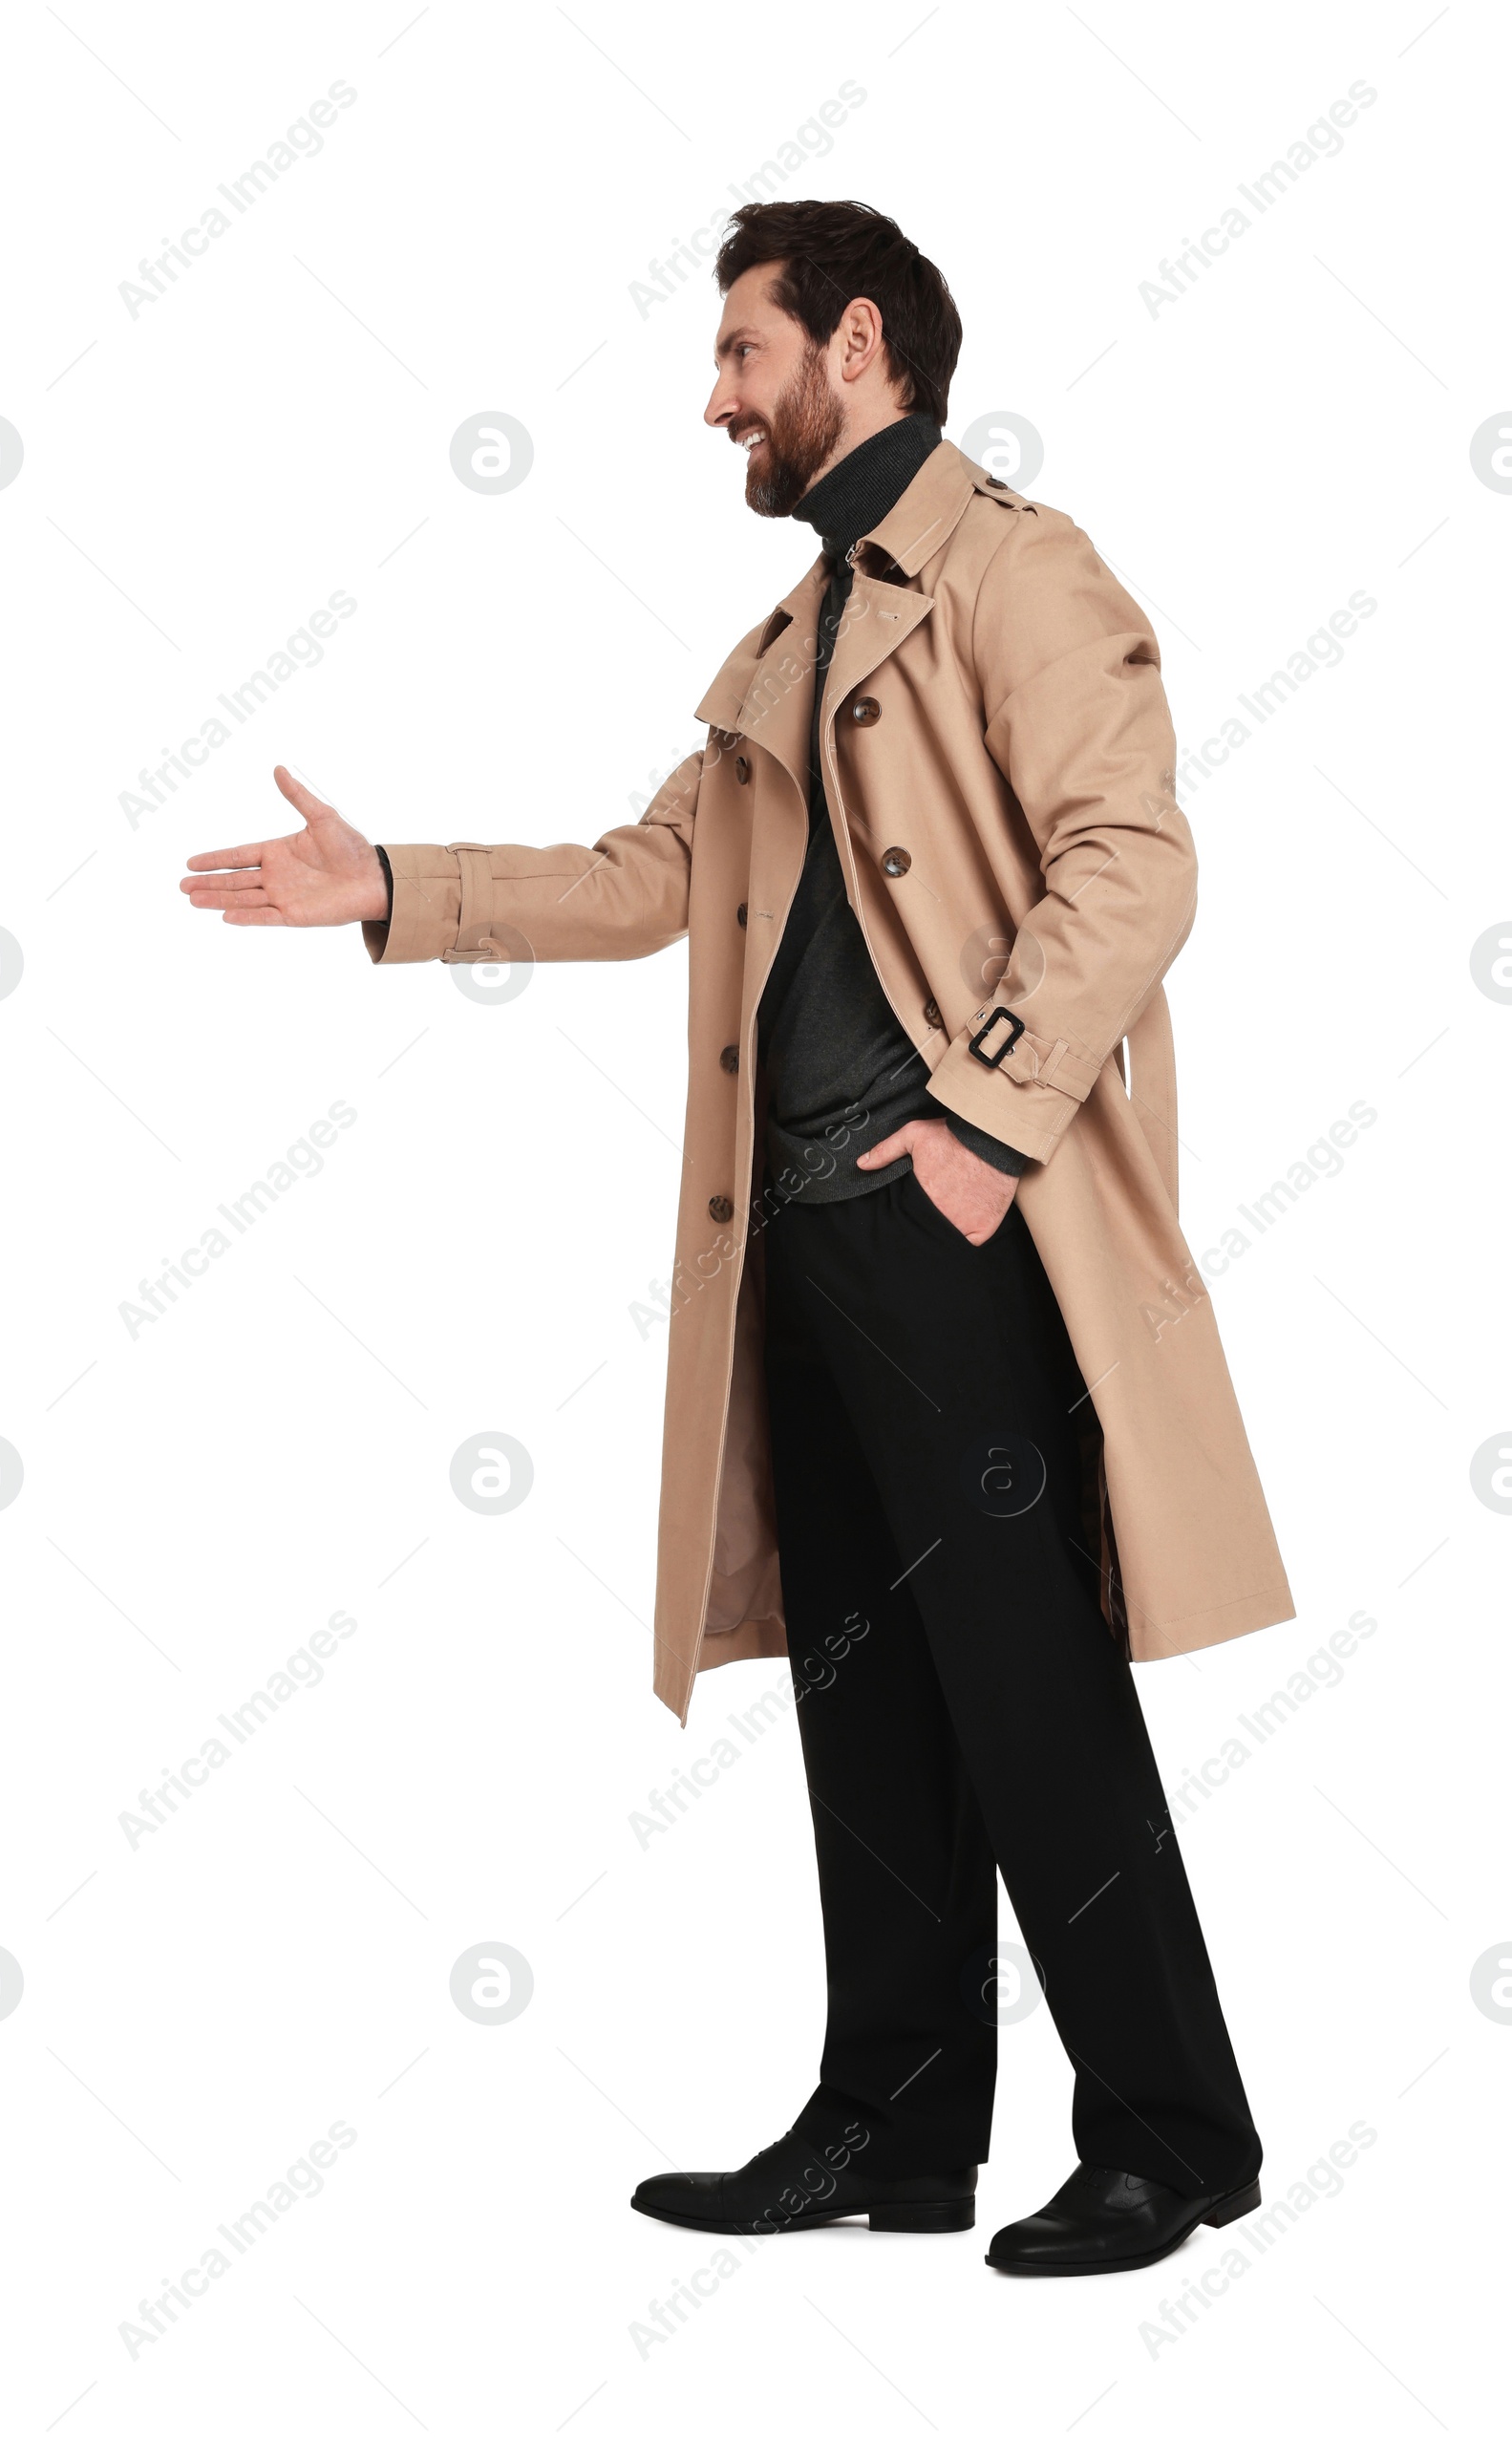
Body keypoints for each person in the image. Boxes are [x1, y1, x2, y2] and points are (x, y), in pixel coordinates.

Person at [181, 199, 1293, 2277]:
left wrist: (971, 1128)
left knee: (1030, 1688)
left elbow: (1130, 861)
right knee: (864, 1692)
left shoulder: (1017, 571)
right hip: (797, 1244)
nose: (712, 401)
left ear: (850, 344)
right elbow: (642, 878)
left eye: (736, 356)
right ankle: (890, 2116)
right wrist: (393, 884)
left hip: (959, 1222)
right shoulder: (783, 645)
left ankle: (1167, 2130)